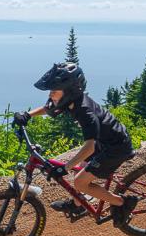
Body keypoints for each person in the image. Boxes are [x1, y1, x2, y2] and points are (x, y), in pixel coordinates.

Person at [12, 61, 138, 221]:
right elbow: (48, 108)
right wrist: (28, 115)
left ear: (68, 91)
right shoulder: (69, 100)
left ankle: (122, 203)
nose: (50, 94)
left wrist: (65, 167)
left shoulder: (85, 112)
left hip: (116, 147)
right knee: (82, 169)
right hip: (104, 141)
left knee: (79, 182)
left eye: (54, 90)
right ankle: (79, 205)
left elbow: (89, 148)